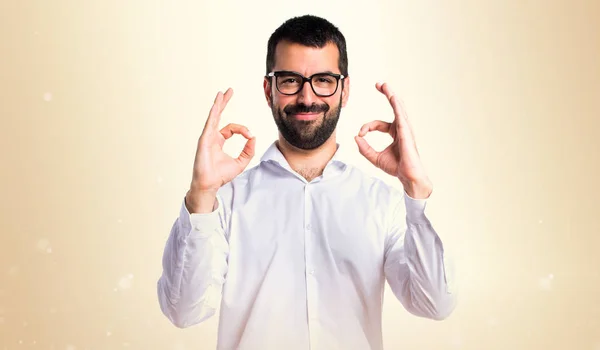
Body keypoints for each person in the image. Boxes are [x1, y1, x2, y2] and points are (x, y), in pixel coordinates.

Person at [157, 14, 457, 350]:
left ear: (344, 90)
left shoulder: (381, 202)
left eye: (324, 80)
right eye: (290, 81)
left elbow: (434, 304)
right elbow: (183, 311)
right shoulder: (225, 201)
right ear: (269, 89)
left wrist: (415, 190)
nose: (306, 97)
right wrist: (200, 197)